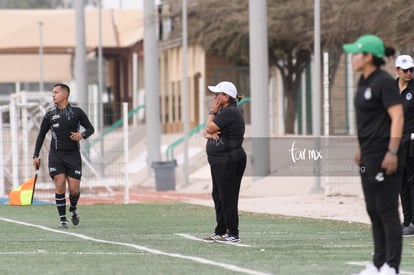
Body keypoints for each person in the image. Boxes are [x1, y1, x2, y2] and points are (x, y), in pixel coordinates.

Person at [343, 35, 404, 275]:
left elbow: (397, 117)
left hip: (384, 155)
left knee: (387, 210)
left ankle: (392, 266)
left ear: (369, 57)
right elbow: (370, 120)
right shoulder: (363, 81)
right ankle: (378, 264)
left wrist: (392, 151)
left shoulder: (384, 81)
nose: (352, 58)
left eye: (355, 54)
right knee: (373, 209)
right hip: (368, 155)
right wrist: (361, 148)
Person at [32, 83, 95, 229]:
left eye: (56, 92)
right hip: (56, 156)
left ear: (65, 94)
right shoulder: (49, 115)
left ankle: (73, 208)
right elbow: (41, 135)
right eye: (52, 92)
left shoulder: (77, 112)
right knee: (59, 183)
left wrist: (82, 135)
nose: (53, 95)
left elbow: (91, 129)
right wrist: (36, 155)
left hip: (73, 156)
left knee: (74, 189)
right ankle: (62, 220)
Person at [202, 81, 246, 244]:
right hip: (219, 160)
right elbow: (207, 131)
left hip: (229, 160)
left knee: (228, 197)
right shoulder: (226, 112)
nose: (215, 98)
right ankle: (220, 230)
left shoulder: (230, 112)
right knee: (218, 195)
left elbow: (208, 128)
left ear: (226, 96)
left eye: (217, 95)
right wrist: (208, 132)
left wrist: (212, 112)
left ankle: (233, 233)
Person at [394, 55, 414, 237]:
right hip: (396, 142)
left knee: (412, 182)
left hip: (412, 142)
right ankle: (407, 221)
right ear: (397, 70)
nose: (409, 73)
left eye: (411, 70)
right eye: (405, 70)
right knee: (401, 184)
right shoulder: (391, 90)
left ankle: (413, 222)